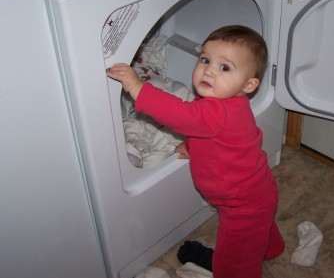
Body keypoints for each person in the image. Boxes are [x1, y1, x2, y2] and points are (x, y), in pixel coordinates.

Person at [107, 25, 285, 278]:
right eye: (205, 60)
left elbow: (180, 114)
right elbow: (213, 136)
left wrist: (137, 87)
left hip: (241, 205)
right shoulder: (227, 104)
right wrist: (191, 147)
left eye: (225, 68)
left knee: (233, 264)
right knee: (260, 228)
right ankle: (271, 249)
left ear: (249, 85)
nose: (209, 70)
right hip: (255, 193)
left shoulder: (218, 111)